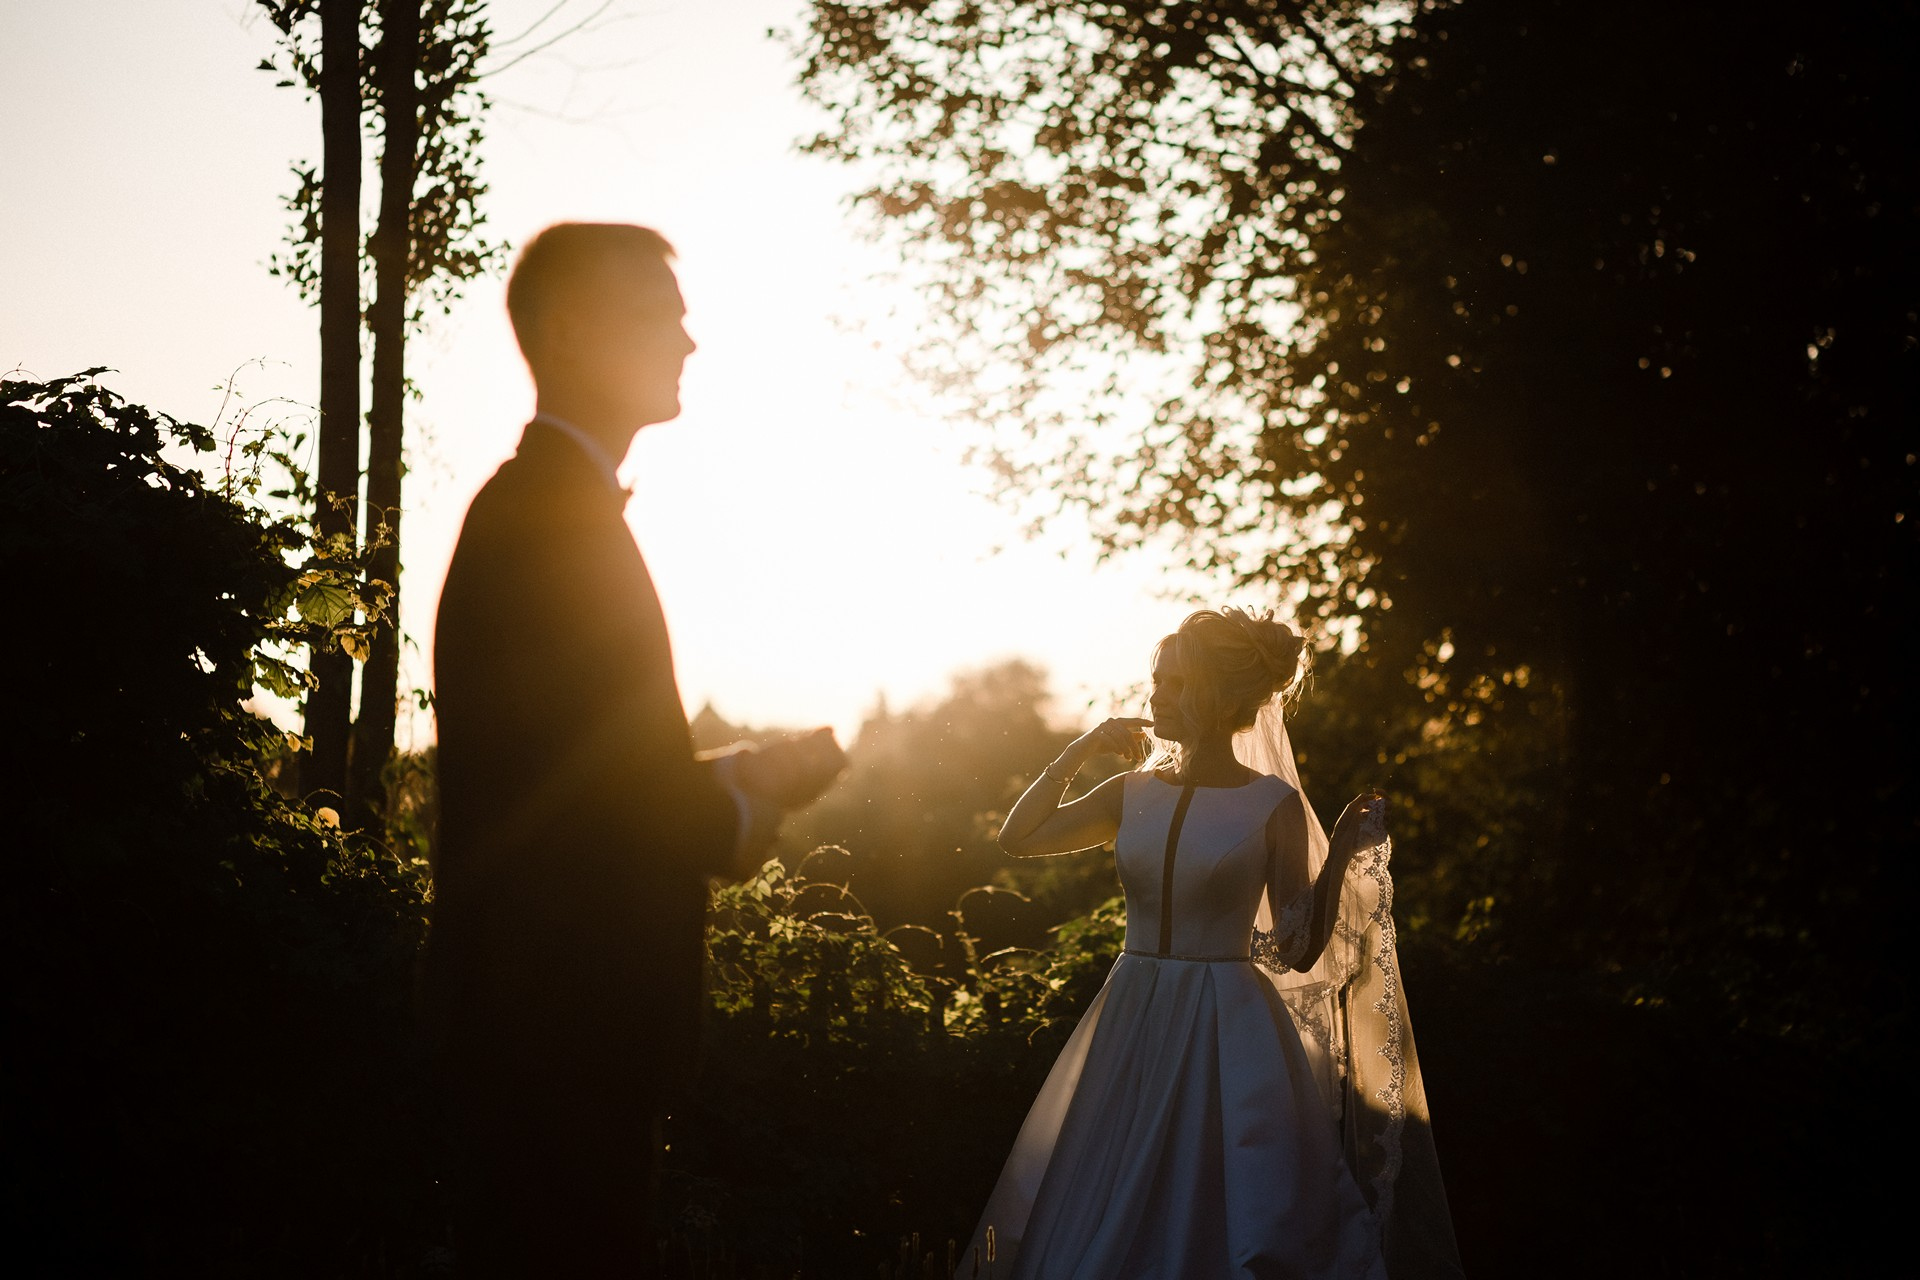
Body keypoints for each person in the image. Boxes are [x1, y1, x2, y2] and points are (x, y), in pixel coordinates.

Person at [428, 222, 845, 1276]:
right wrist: (753, 804)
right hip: (560, 1034)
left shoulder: (541, 508)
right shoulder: (556, 525)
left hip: (545, 1034)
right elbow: (630, 812)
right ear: (567, 333)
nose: (689, 340)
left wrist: (742, 771)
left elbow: (584, 783)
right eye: (657, 312)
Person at [966, 608, 1462, 1279]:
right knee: (1104, 1187)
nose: (1156, 697)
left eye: (1174, 683)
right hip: (1130, 1012)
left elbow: (1295, 951)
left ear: (1217, 694)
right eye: (1156, 681)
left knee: (1224, 1202)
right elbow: (1017, 838)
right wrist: (1081, 747)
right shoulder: (1129, 792)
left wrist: (1341, 856)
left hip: (1228, 1030)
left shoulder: (1272, 804)